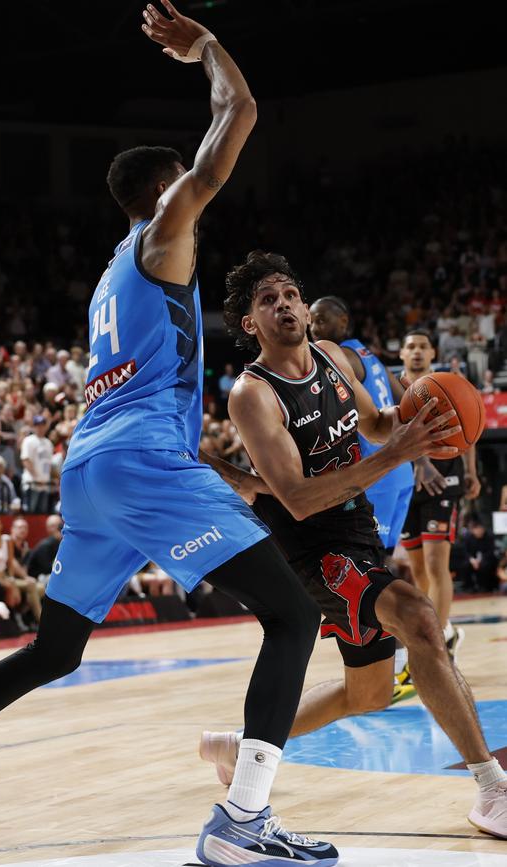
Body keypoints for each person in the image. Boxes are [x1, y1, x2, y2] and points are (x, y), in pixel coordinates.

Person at [0, 7, 339, 865]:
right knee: (295, 615)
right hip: (140, 463)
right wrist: (209, 50)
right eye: (188, 183)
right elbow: (242, 116)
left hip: (95, 467)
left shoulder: (111, 275)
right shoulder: (163, 235)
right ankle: (242, 820)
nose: (202, 192)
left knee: (55, 648)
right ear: (166, 192)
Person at [198, 250, 507, 840]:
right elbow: (297, 498)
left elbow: (375, 425)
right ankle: (493, 789)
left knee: (368, 693)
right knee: (420, 620)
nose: (284, 305)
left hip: (356, 525)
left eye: (290, 294)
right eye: (268, 300)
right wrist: (395, 456)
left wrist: (424, 415)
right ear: (250, 324)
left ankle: (244, 745)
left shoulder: (333, 358)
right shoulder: (252, 395)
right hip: (313, 543)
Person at [308, 296, 446, 701]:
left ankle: (397, 662)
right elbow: (394, 410)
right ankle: (399, 657)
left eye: (321, 319)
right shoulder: (371, 355)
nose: (314, 327)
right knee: (379, 567)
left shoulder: (341, 356)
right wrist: (418, 463)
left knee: (371, 572)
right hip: (395, 470)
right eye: (311, 321)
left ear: (343, 321)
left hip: (379, 474)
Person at [397, 330, 482, 670]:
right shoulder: (392, 386)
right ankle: (442, 632)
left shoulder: (449, 383)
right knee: (418, 570)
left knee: (435, 564)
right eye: (410, 346)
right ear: (402, 353)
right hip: (405, 482)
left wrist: (472, 471)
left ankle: (437, 647)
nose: (417, 352)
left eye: (422, 346)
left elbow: (470, 431)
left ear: (433, 351)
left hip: (445, 478)